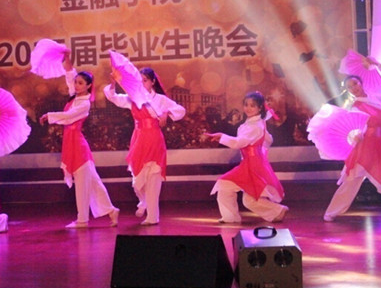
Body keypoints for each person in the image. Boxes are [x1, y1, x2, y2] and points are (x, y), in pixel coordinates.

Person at [40, 55, 119, 228]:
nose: (76, 85)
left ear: (89, 86)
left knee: (83, 183)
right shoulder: (74, 98)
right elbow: (69, 74)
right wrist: (66, 58)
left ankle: (82, 219)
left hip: (78, 145)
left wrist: (49, 116)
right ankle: (111, 211)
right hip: (71, 142)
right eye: (76, 82)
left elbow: (69, 117)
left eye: (80, 83)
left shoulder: (84, 104)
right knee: (93, 182)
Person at [322, 75, 381, 222]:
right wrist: (356, 135)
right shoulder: (355, 107)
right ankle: (331, 212)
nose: (354, 88)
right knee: (352, 181)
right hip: (366, 146)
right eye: (349, 87)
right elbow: (356, 127)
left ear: (361, 83)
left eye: (355, 84)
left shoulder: (376, 98)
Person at [104, 67, 186, 225]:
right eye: (139, 81)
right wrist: (113, 84)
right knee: (137, 182)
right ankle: (144, 202)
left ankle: (153, 217)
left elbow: (180, 110)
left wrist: (166, 113)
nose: (142, 84)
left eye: (145, 80)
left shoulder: (160, 99)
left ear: (153, 82)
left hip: (154, 138)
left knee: (153, 177)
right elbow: (113, 97)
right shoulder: (132, 98)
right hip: (138, 138)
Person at [203, 91, 288, 224]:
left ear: (259, 108)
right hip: (250, 163)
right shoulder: (256, 123)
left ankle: (278, 210)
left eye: (252, 106)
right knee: (224, 185)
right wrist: (260, 149)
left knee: (249, 200)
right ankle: (230, 217)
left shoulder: (255, 126)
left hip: (253, 165)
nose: (248, 108)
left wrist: (222, 136)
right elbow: (269, 139)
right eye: (246, 105)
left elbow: (239, 143)